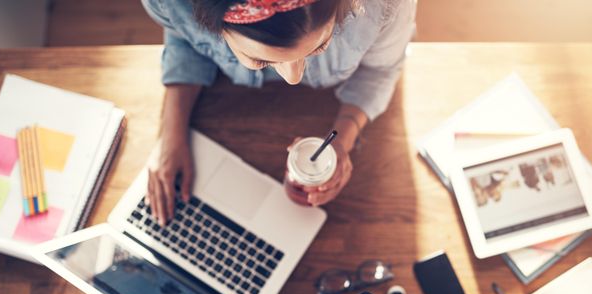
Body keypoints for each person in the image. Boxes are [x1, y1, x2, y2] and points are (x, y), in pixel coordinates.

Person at [141, 0, 416, 224]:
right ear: (207, 23)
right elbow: (184, 40)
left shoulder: (385, 6)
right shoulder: (172, 5)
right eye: (261, 59)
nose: (293, 77)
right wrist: (170, 133)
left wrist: (343, 139)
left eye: (321, 44)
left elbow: (381, 69)